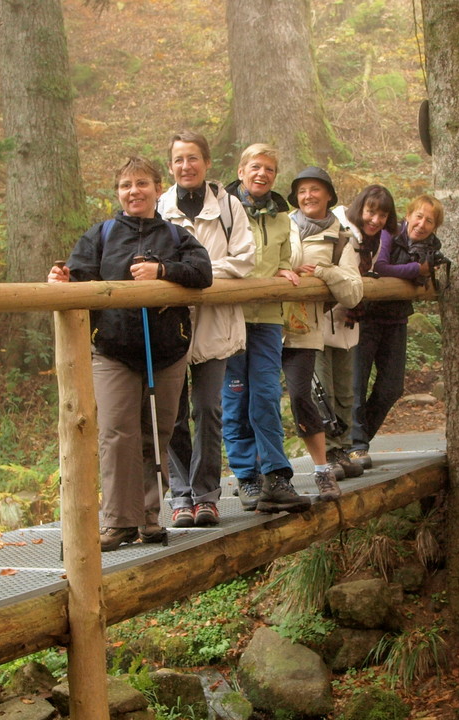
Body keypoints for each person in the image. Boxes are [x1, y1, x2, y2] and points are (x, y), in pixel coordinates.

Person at [47, 156, 213, 551]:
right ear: (118, 192)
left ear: (158, 188)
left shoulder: (175, 236)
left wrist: (163, 271)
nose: (133, 191)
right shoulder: (101, 235)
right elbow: (80, 275)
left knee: (157, 433)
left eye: (141, 183)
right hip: (114, 350)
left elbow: (202, 272)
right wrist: (63, 280)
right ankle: (120, 522)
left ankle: (151, 518)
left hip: (167, 352)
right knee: (116, 433)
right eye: (125, 185)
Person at [158, 131, 255, 527]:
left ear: (206, 162)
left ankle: (207, 496)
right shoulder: (160, 208)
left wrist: (195, 275)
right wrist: (183, 275)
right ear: (170, 166)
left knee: (209, 409)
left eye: (193, 158)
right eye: (179, 159)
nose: (186, 166)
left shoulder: (229, 207)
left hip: (215, 323)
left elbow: (245, 260)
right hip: (172, 326)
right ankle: (181, 496)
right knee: (175, 413)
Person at [221, 144, 310, 513]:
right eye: (255, 167)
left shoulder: (280, 218)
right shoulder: (224, 211)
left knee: (267, 395)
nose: (262, 174)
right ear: (241, 171)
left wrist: (287, 271)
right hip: (231, 315)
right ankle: (246, 476)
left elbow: (284, 261)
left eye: (270, 170)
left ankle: (276, 476)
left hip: (268, 317)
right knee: (235, 396)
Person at [281, 166, 365, 503]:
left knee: (305, 396)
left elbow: (354, 291)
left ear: (329, 194)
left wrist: (322, 272)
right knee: (258, 402)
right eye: (302, 191)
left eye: (315, 189)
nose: (308, 196)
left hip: (305, 327)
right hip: (268, 323)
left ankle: (324, 468)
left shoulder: (342, 237)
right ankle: (268, 475)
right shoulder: (279, 225)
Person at [350, 194, 444, 467]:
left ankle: (357, 438)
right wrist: (417, 269)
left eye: (430, 220)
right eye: (419, 216)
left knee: (392, 387)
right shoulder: (391, 234)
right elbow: (381, 266)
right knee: (357, 383)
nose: (422, 224)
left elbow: (425, 276)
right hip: (367, 317)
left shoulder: (430, 246)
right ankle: (356, 446)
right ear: (408, 215)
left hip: (397, 320)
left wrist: (425, 272)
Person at [325, 184, 398, 477]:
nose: (376, 219)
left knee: (351, 390)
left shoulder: (378, 240)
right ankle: (343, 448)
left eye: (383, 215)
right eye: (371, 211)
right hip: (328, 317)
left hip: (354, 319)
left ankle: (352, 442)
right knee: (337, 390)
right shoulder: (339, 228)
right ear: (360, 208)